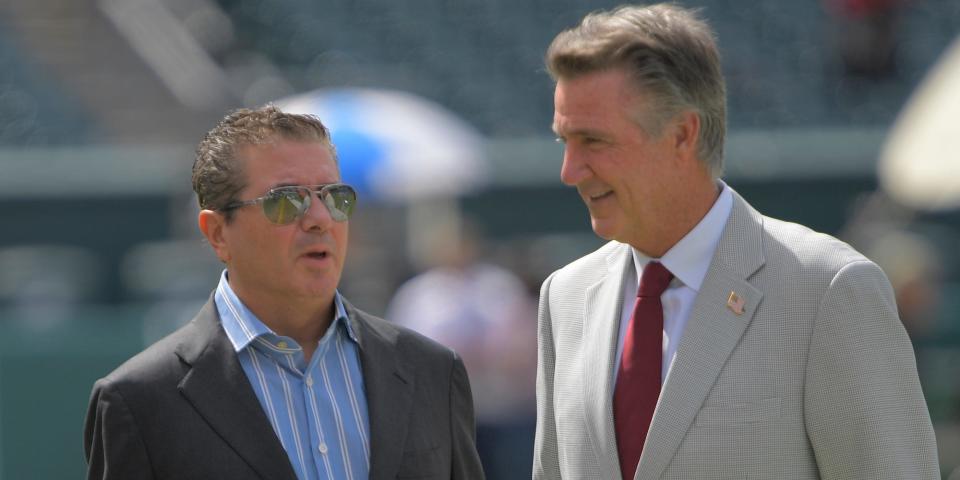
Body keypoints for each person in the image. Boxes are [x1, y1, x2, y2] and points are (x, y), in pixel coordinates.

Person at [534, 4, 939, 479]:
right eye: (565, 141)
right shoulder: (563, 298)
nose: (570, 171)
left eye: (594, 141)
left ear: (683, 134)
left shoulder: (828, 290)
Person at [84, 106, 485, 480]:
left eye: (334, 197)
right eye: (286, 201)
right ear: (218, 233)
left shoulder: (432, 371)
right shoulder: (139, 400)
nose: (319, 219)